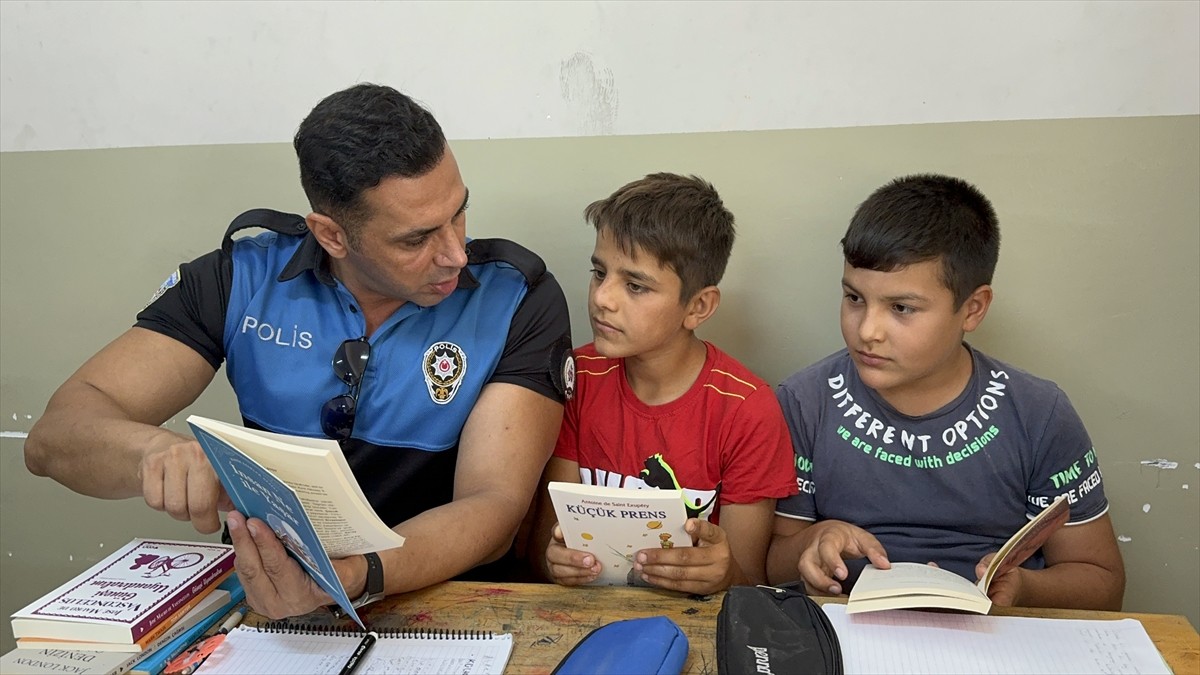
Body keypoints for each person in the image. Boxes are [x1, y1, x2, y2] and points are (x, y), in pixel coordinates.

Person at [24, 83, 573, 619]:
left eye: (459, 212)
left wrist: (348, 578)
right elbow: (54, 437)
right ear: (331, 235)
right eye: (415, 239)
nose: (455, 253)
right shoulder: (239, 278)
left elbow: (494, 505)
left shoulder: (518, 297)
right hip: (272, 607)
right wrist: (152, 454)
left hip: (456, 610)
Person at [766, 173, 1125, 610]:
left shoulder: (1038, 413)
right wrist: (815, 540)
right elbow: (772, 563)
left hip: (994, 637)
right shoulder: (805, 402)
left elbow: (1102, 582)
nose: (867, 331)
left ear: (972, 309)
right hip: (850, 633)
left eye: (901, 308)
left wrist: (1024, 590)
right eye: (854, 298)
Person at [534, 173, 798, 594]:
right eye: (599, 273)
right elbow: (543, 550)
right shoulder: (576, 377)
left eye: (635, 285)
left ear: (698, 306)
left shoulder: (746, 409)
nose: (603, 297)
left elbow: (750, 580)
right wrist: (556, 563)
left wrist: (721, 574)